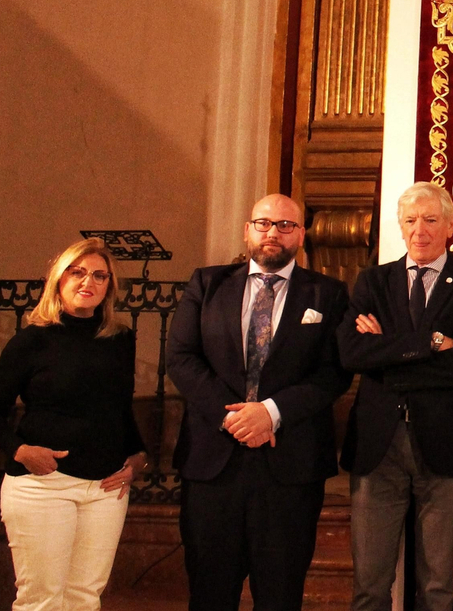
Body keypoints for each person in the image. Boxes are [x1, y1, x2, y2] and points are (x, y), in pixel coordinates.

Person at [167, 194, 351, 611]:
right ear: (247, 230)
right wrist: (235, 418)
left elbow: (334, 373)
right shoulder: (207, 284)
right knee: (210, 592)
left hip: (290, 468)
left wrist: (270, 413)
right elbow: (181, 358)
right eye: (264, 223)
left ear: (300, 235)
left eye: (286, 225)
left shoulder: (328, 293)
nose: (273, 233)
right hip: (214, 464)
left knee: (280, 595)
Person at [340, 182, 453, 611]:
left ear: (450, 226)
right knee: (370, 585)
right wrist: (431, 341)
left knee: (436, 586)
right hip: (378, 445)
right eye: (410, 221)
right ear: (400, 225)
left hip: (445, 443)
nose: (419, 230)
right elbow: (352, 354)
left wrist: (386, 350)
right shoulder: (373, 282)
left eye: (430, 220)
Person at [0, 238, 150, 611]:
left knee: (85, 599)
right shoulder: (31, 341)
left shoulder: (120, 339)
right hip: (44, 485)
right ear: (59, 279)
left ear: (108, 287)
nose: (88, 282)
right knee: (42, 601)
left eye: (100, 276)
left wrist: (138, 456)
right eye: (78, 272)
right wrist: (21, 451)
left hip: (105, 489)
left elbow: (119, 408)